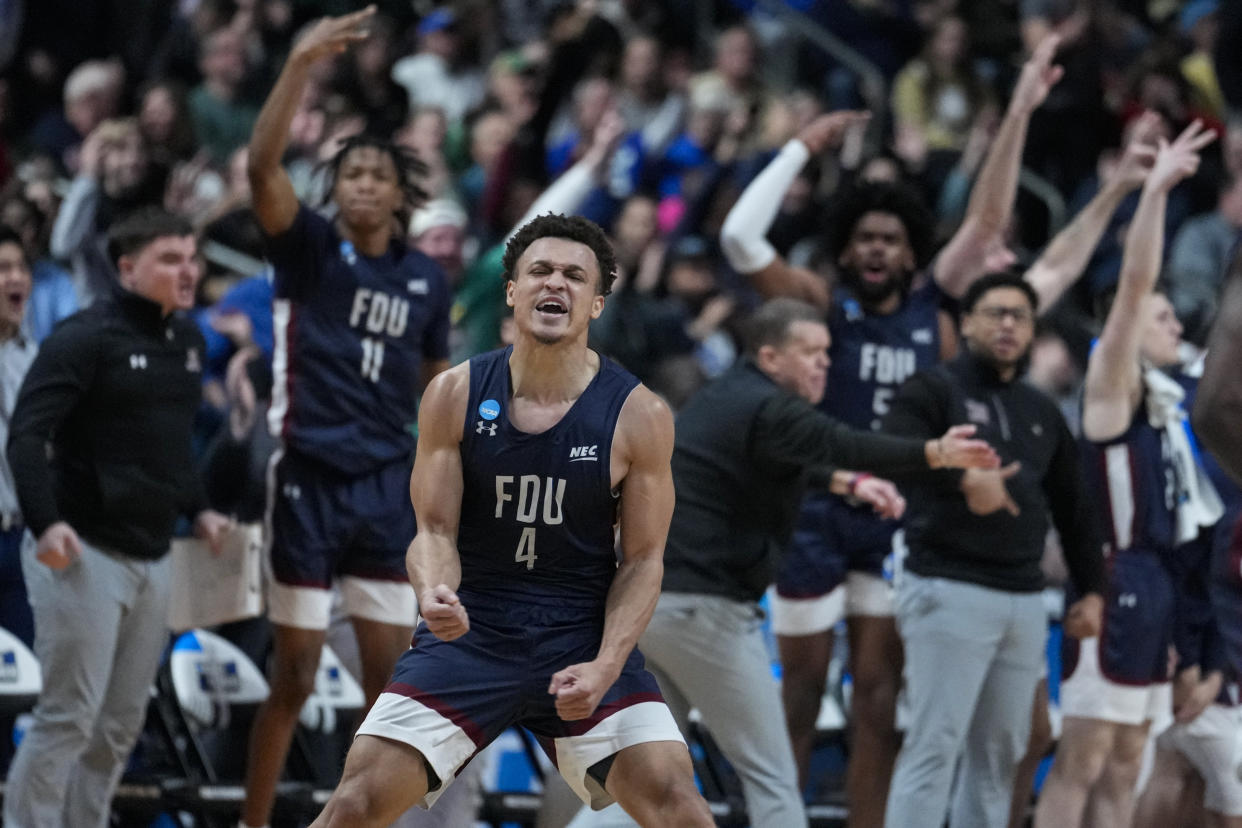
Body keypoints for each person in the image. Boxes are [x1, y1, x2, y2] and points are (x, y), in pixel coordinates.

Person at [718, 36, 1069, 826]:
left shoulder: (934, 315)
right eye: (865, 238)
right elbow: (741, 239)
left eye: (892, 240)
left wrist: (1016, 110)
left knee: (878, 699)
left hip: (888, 517)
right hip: (811, 508)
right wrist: (800, 149)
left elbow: (985, 219)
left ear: (911, 251)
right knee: (800, 690)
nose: (877, 249)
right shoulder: (816, 297)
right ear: (846, 245)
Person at [308, 212, 713, 828]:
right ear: (511, 291)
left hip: (579, 629)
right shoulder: (454, 393)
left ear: (597, 302)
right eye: (541, 271)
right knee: (355, 804)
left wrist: (606, 664)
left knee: (680, 806)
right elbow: (434, 533)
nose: (556, 284)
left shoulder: (640, 414)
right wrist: (433, 593)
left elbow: (642, 560)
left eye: (575, 276)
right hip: (476, 631)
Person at [576, 297, 1001, 828]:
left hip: (652, 611)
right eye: (810, 352)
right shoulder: (773, 408)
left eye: (827, 352)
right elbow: (841, 442)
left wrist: (845, 482)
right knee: (772, 779)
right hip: (706, 613)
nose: (824, 362)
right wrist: (934, 453)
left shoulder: (729, 395)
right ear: (772, 356)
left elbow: (790, 455)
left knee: (646, 779)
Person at [238, 9, 454, 828]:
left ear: (402, 193)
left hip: (382, 485)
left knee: (390, 686)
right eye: (351, 173)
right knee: (292, 675)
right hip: (305, 476)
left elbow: (439, 402)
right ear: (336, 190)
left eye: (378, 174)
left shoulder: (427, 284)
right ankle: (254, 821)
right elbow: (262, 165)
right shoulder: (311, 250)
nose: (363, 183)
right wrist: (297, 66)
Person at [4, 207, 230, 828]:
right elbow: (26, 435)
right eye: (170, 260)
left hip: (153, 557)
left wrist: (203, 510)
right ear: (127, 268)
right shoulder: (83, 337)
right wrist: (46, 522)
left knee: (120, 725)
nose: (188, 272)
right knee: (68, 717)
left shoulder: (188, 342)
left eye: (192, 259)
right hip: (83, 552)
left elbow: (173, 447)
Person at [1035, 120, 1219, 828]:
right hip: (1111, 580)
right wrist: (1156, 194)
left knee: (1126, 761)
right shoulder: (1111, 392)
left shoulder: (1172, 406)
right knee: (1083, 760)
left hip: (1159, 583)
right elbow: (1136, 282)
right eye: (1161, 317)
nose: (1174, 325)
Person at [880, 271, 1107, 828]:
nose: (1008, 325)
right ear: (966, 323)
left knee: (1001, 759)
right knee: (934, 747)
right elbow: (889, 457)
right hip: (947, 585)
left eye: (1021, 316)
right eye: (996, 312)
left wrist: (1095, 590)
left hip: (1025, 599)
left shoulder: (1041, 410)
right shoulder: (931, 391)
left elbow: (1076, 510)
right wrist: (960, 483)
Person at [0, 226, 35, 776]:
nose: (15, 278)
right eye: (2, 269)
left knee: (19, 684)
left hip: (22, 540)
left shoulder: (39, 359)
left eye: (21, 267)